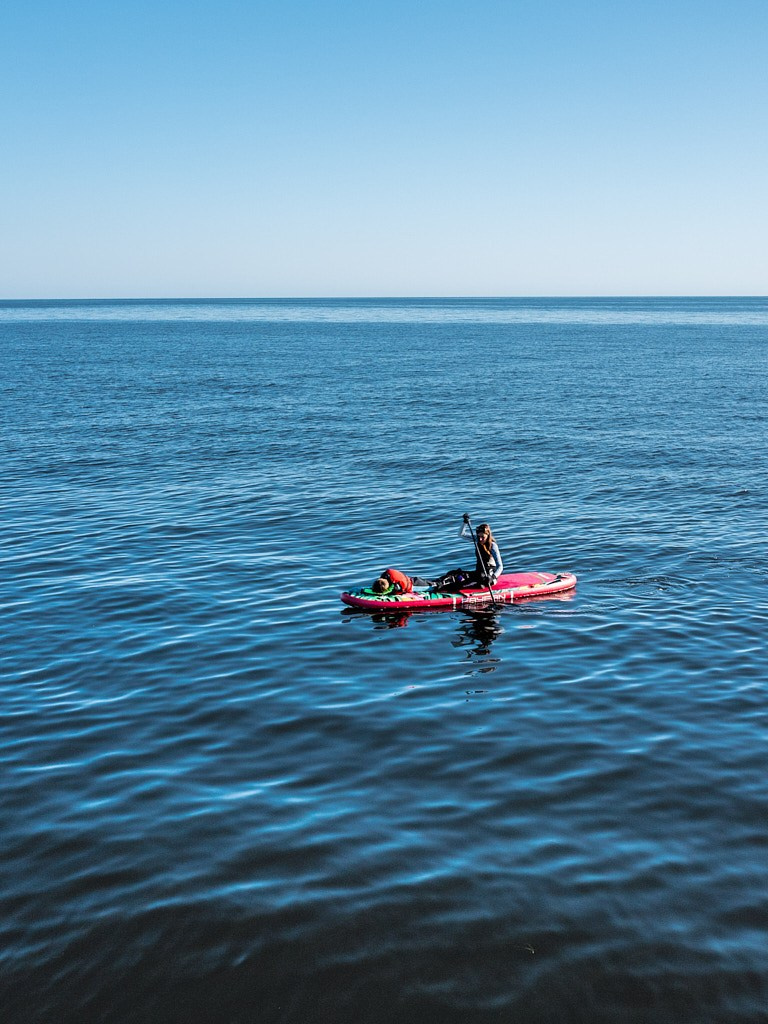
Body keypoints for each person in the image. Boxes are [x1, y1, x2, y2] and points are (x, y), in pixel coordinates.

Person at [467, 522, 503, 586]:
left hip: (489, 574)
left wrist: (493, 577)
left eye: (483, 537)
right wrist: (465, 523)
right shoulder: (477, 540)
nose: (480, 539)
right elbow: (461, 534)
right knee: (457, 575)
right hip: (479, 572)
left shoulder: (493, 546)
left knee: (481, 579)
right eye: (479, 536)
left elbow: (500, 566)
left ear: (488, 534)